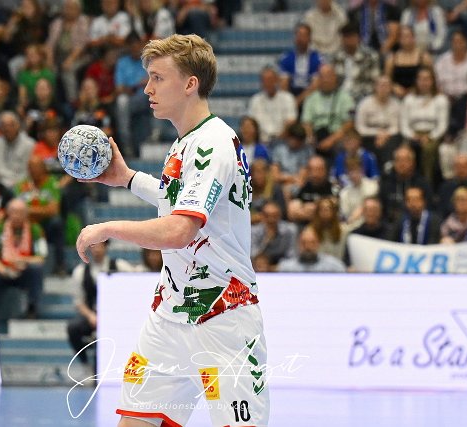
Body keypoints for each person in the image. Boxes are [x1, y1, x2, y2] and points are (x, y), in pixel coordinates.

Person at [74, 34, 270, 427]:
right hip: (171, 314)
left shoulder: (213, 143)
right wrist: (128, 179)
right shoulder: (186, 142)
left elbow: (181, 229)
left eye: (158, 78)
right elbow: (176, 199)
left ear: (190, 84)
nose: (147, 88)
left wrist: (108, 228)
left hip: (223, 313)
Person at [67, 240, 137, 370]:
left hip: (117, 315)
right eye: (93, 246)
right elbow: (79, 302)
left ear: (106, 246)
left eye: (100, 245)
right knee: (73, 328)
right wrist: (91, 316)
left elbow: (136, 281)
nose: (97, 249)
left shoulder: (120, 266)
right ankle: (85, 364)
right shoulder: (80, 271)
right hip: (93, 314)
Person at [0, 198, 46, 319]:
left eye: (20, 212)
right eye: (14, 212)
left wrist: (24, 260)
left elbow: (41, 258)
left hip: (24, 271)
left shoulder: (35, 229)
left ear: (26, 214)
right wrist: (2, 269)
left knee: (36, 269)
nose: (17, 216)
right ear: (8, 213)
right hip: (4, 270)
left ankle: (32, 309)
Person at [300, 64, 355, 161]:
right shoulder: (311, 99)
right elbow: (306, 122)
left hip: (337, 137)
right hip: (316, 137)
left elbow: (349, 123)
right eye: (322, 76)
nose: (325, 80)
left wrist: (331, 140)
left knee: (347, 144)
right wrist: (310, 136)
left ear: (335, 78)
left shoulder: (346, 98)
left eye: (328, 76)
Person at [354, 75, 401, 170]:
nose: (383, 88)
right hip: (369, 136)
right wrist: (378, 133)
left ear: (391, 88)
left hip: (389, 137)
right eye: (381, 85)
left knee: (395, 140)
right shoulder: (365, 103)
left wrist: (385, 135)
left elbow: (396, 127)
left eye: (386, 85)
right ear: (375, 87)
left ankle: (388, 168)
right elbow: (360, 127)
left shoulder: (396, 104)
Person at [328, 21, 380, 103]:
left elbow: (375, 81)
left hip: (363, 96)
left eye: (351, 36)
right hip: (339, 96)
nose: (349, 40)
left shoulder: (370, 56)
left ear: (358, 37)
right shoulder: (336, 57)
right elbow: (331, 81)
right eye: (346, 37)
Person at [0, 111, 35, 189]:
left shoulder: (30, 144)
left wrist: (18, 184)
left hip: (22, 185)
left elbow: (31, 172)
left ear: (18, 125)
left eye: (11, 125)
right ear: (0, 128)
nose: (7, 129)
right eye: (3, 125)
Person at [248, 66, 297, 144]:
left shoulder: (288, 98)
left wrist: (278, 139)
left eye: (270, 80)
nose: (268, 83)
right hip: (261, 141)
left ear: (276, 80)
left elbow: (291, 122)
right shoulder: (255, 100)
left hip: (282, 141)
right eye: (265, 80)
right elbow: (251, 124)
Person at [278, 23, 323, 106]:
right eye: (298, 35)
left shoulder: (317, 58)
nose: (300, 38)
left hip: (310, 95)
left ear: (310, 38)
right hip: (291, 94)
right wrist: (289, 102)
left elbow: (315, 85)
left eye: (303, 35)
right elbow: (284, 84)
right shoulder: (286, 57)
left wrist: (298, 101)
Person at [434, 30, 467, 101]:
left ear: (466, 42)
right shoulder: (442, 61)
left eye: (460, 42)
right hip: (447, 98)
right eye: (455, 42)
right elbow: (436, 83)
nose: (457, 45)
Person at [384, 25, 432, 99]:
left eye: (408, 36)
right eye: (403, 37)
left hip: (419, 95)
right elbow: (386, 79)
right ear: (398, 40)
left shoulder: (424, 57)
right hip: (396, 96)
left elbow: (431, 78)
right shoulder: (392, 59)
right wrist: (393, 87)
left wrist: (416, 89)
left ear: (414, 37)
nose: (406, 39)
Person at [277, 225, 346, 272]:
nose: (308, 246)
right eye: (304, 243)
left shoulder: (334, 267)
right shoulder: (286, 268)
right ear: (298, 244)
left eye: (312, 243)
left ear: (318, 244)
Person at [250, 201, 297, 270]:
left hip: (282, 267)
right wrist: (266, 241)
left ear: (280, 216)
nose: (271, 219)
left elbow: (292, 256)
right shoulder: (254, 231)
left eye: (274, 216)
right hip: (259, 267)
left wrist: (277, 267)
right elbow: (253, 255)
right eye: (267, 216)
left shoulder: (289, 230)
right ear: (262, 216)